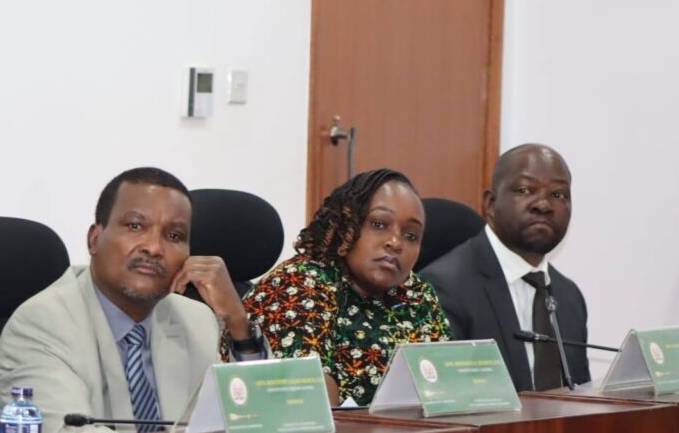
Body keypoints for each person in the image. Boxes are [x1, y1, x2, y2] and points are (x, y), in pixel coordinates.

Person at [0, 167, 268, 433]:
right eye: (135, 226)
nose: (154, 248)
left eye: (174, 236)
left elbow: (258, 424)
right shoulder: (44, 320)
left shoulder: (195, 319)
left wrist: (238, 324)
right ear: (94, 239)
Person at [236, 168, 450, 406]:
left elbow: (449, 389)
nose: (395, 242)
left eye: (411, 235)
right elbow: (313, 405)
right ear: (346, 224)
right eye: (379, 224)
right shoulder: (299, 283)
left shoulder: (416, 292)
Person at [422, 144, 589, 391]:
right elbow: (445, 397)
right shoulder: (444, 287)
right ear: (490, 204)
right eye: (524, 190)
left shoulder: (569, 297)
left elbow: (581, 397)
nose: (543, 205)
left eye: (558, 194)